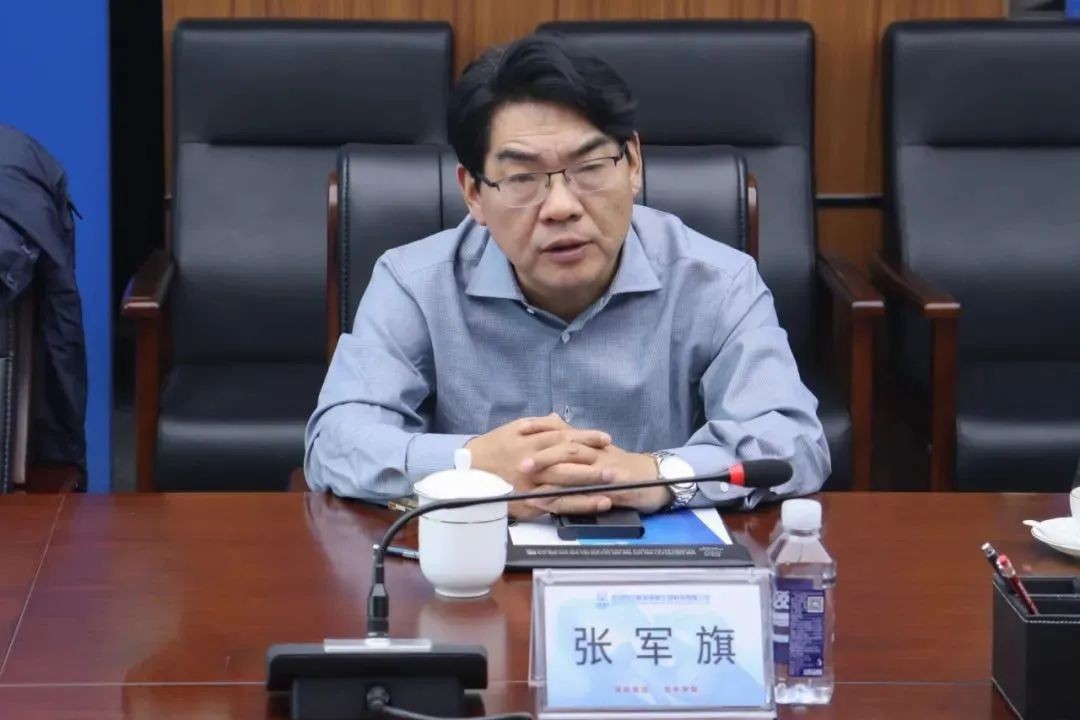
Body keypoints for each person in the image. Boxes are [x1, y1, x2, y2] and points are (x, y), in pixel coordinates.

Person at [305, 34, 829, 518]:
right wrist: (471, 465)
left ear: (634, 164)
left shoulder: (718, 281)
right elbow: (335, 442)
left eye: (590, 167)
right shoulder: (413, 283)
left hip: (658, 571)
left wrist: (658, 475)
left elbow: (794, 442)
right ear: (473, 193)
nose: (561, 206)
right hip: (474, 568)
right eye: (523, 178)